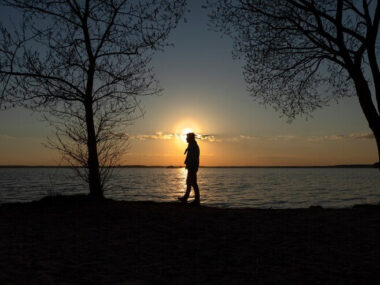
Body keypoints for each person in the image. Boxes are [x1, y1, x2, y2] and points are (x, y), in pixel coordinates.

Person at [178, 132, 200, 205]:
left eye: (187, 137)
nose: (186, 139)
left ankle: (196, 199)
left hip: (192, 167)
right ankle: (186, 197)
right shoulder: (191, 145)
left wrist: (192, 167)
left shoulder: (193, 146)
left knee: (193, 183)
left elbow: (194, 158)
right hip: (191, 167)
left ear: (190, 138)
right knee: (189, 182)